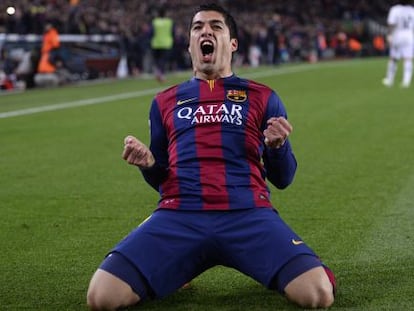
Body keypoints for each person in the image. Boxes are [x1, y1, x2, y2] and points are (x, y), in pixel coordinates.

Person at [86, 3, 336, 310]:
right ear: (190, 44)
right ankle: (179, 267)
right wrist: (149, 164)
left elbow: (284, 179)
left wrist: (277, 148)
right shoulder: (164, 101)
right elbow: (163, 179)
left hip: (248, 214)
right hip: (180, 214)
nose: (206, 31)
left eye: (216, 27)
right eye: (197, 27)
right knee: (102, 298)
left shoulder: (264, 96)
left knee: (318, 296)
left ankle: (302, 265)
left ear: (232, 44)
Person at [382, 0, 414, 88]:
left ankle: (390, 80)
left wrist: (389, 35)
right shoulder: (412, 10)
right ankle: (406, 82)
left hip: (398, 35)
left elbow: (391, 23)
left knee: (393, 58)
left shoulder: (395, 9)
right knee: (408, 59)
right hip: (409, 36)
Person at [150, 7, 175, 82]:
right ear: (165, 14)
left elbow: (151, 32)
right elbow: (173, 32)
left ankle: (157, 72)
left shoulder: (155, 22)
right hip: (166, 43)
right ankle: (162, 74)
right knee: (163, 60)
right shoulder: (169, 22)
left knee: (157, 60)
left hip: (156, 43)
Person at [34, 23, 61, 87]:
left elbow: (55, 45)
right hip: (42, 75)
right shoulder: (46, 35)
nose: (46, 27)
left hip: (50, 75)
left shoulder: (52, 33)